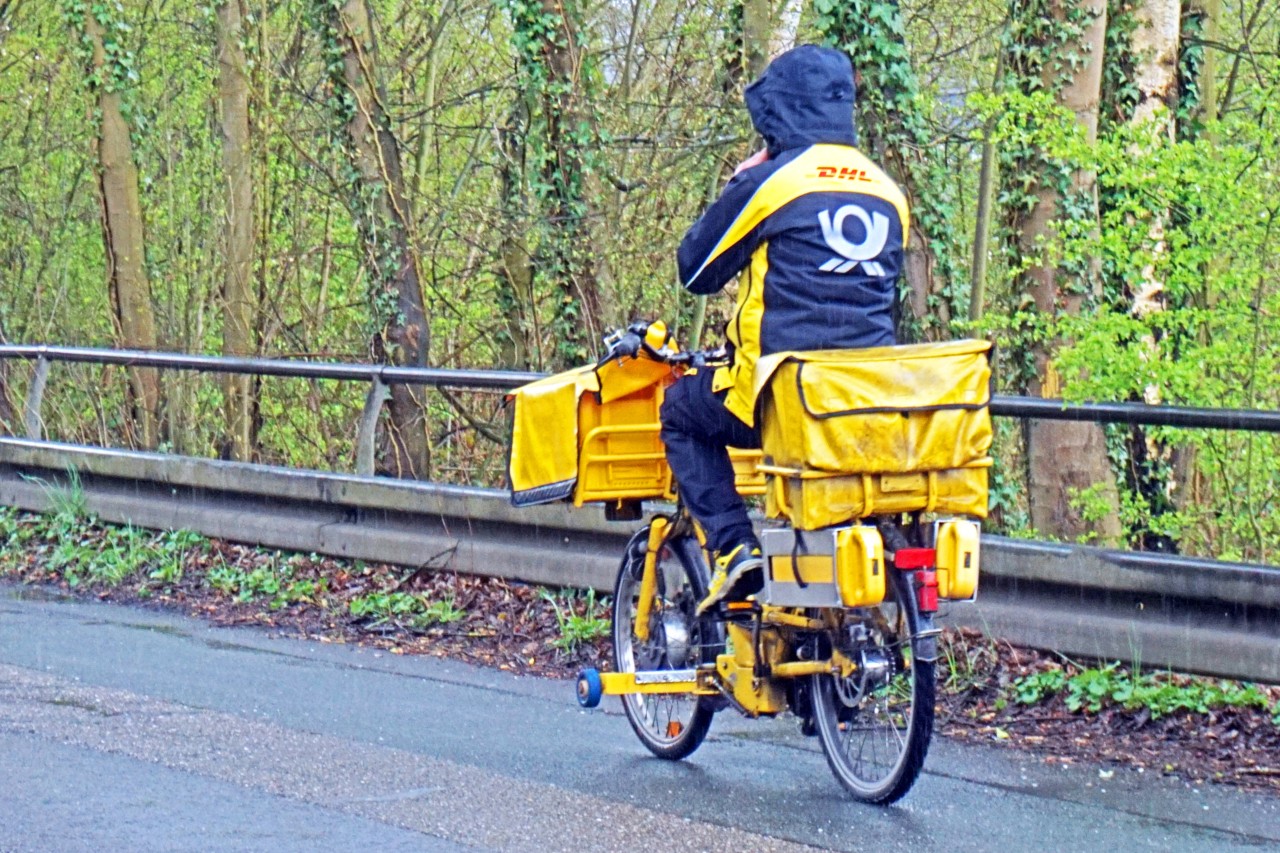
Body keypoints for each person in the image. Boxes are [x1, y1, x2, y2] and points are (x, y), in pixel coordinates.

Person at [659, 44, 909, 613]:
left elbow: (695, 270)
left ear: (780, 110)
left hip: (783, 401)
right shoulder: (889, 193)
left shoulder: (774, 183)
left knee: (680, 411)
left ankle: (734, 549)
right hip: (868, 402)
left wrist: (740, 185)